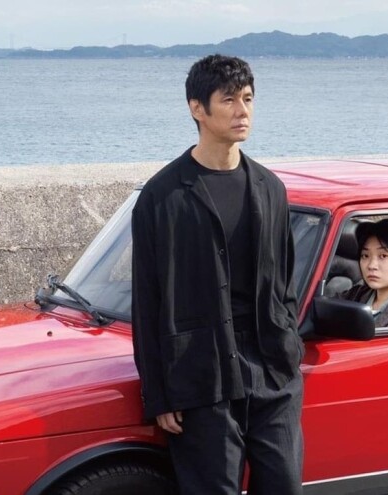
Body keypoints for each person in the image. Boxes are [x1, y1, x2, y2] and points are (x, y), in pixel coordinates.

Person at [131, 54, 304, 494]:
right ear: (197, 109)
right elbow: (148, 302)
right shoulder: (162, 196)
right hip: (201, 377)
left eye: (247, 99)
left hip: (271, 372)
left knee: (283, 485)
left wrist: (288, 347)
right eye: (228, 100)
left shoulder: (270, 188)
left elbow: (284, 282)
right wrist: (159, 395)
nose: (242, 111)